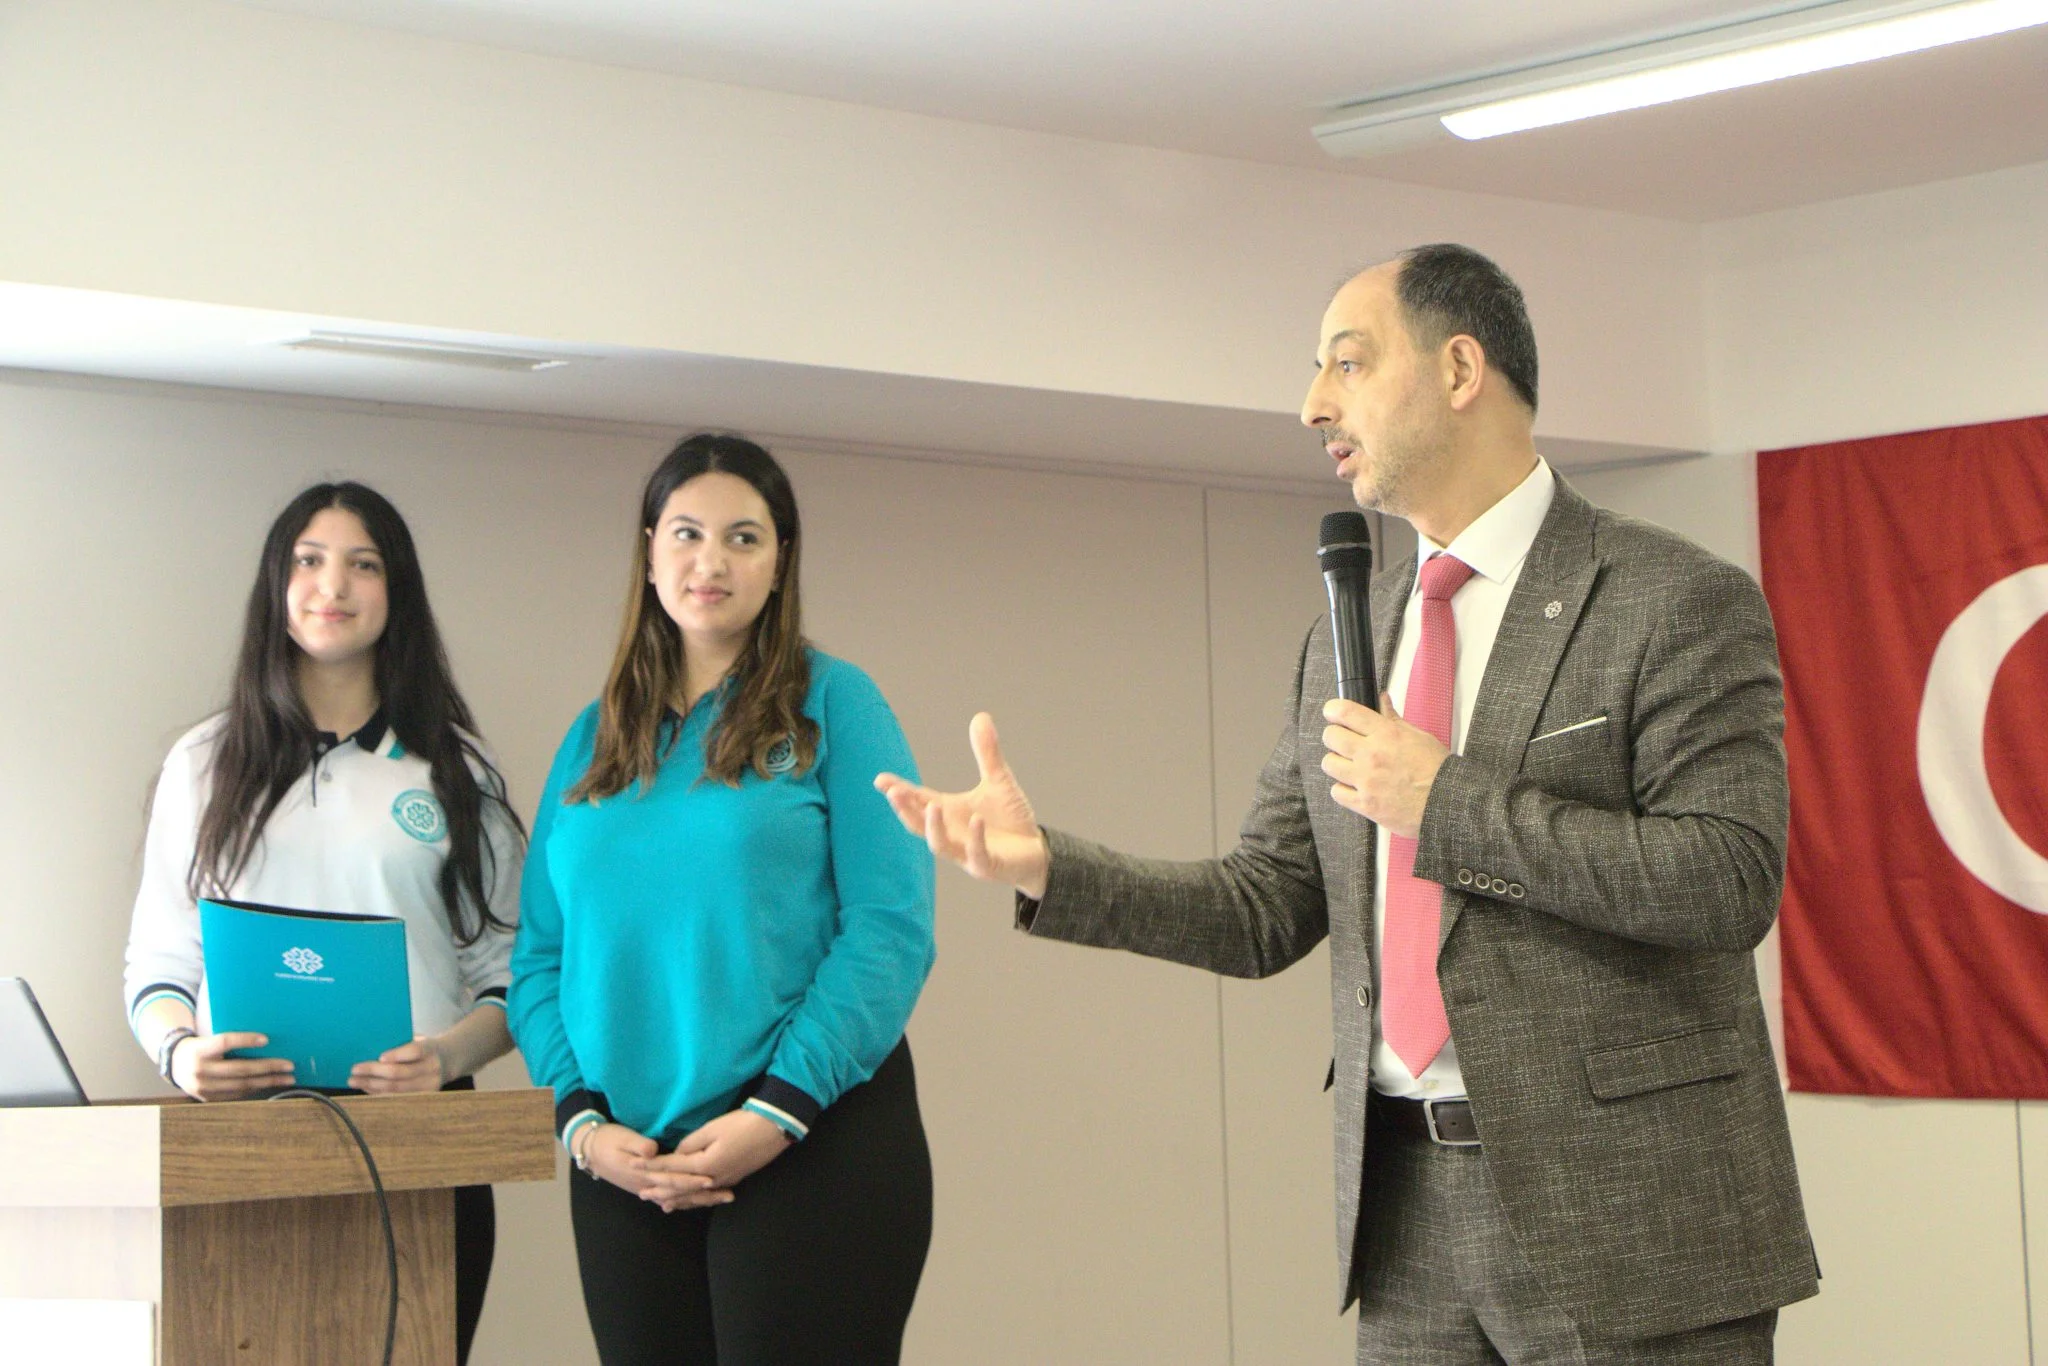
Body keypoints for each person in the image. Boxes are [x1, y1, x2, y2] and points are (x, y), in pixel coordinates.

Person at [878, 244, 1818, 1363]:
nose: (1313, 404)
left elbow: (1724, 879)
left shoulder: (1671, 598)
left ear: (1459, 369)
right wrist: (1046, 866)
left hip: (1632, 1215)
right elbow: (1262, 905)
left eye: (1348, 362)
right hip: (1405, 1209)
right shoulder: (1349, 632)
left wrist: (1442, 799)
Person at [508, 432, 936, 1366]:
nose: (711, 562)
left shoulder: (838, 702)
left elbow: (890, 930)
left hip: (809, 1137)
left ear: (781, 563)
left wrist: (776, 1110)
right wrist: (582, 1124)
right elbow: (539, 957)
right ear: (648, 552)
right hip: (627, 1164)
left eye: (745, 538)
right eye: (687, 534)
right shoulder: (593, 736)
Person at [124, 480, 525, 1366]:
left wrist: (445, 1060)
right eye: (308, 561)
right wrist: (181, 1056)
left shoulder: (456, 769)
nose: (332, 586)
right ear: (277, 583)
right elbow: (156, 962)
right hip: (241, 1141)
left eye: (362, 564)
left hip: (418, 1139)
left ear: (397, 591)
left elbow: (515, 973)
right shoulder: (204, 762)